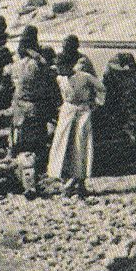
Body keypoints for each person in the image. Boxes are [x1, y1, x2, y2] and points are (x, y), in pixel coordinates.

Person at [8, 31, 60, 197]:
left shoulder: (16, 65)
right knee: (32, 149)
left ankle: (21, 182)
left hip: (18, 111)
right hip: (34, 111)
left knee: (19, 147)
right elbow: (49, 89)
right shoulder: (39, 65)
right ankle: (30, 186)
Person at [47, 43, 102, 197]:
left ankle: (79, 183)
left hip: (83, 113)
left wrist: (95, 104)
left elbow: (101, 89)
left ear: (69, 65)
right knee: (63, 145)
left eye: (61, 66)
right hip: (67, 112)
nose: (58, 69)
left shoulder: (84, 77)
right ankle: (67, 181)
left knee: (81, 147)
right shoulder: (60, 78)